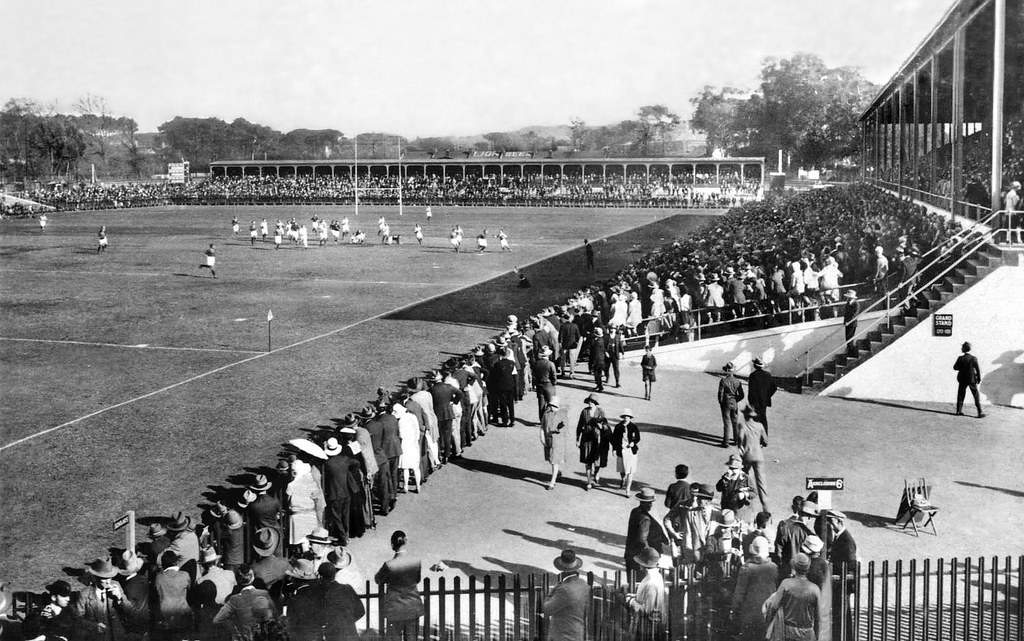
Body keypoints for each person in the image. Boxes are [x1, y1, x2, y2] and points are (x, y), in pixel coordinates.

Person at [374, 531, 423, 641]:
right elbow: (417, 579)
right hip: (412, 606)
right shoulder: (416, 561)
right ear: (405, 542)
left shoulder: (389, 565)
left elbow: (378, 580)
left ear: (392, 545)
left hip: (395, 609)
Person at [761, 553, 821, 641]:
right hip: (808, 633)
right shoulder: (815, 589)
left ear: (794, 567)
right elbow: (818, 617)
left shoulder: (786, 584)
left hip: (788, 632)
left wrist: (768, 624)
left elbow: (773, 607)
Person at [729, 536, 778, 641]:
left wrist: (734, 610)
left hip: (749, 614)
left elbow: (739, 593)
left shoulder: (746, 568)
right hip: (768, 613)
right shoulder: (774, 567)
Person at [74, 557, 134, 641]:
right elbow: (77, 619)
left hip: (116, 636)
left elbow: (130, 611)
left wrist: (119, 598)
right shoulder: (85, 594)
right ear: (95, 577)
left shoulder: (116, 586)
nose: (108, 581)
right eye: (104, 578)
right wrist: (93, 626)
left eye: (110, 577)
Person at [212, 565, 278, 640]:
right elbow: (275, 615)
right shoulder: (264, 594)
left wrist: (235, 630)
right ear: (252, 579)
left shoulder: (234, 599)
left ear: (237, 580)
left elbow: (217, 620)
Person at [544, 549, 589, 641]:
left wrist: (553, 591)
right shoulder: (584, 585)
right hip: (577, 633)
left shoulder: (563, 589)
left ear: (562, 571)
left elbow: (547, 609)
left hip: (563, 635)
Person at [624, 487, 667, 580]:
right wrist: (650, 556)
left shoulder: (635, 511)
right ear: (643, 503)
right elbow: (642, 539)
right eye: (649, 503)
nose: (650, 505)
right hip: (641, 558)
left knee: (632, 582)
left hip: (630, 553)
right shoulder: (645, 519)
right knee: (641, 583)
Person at [625, 548, 668, 639]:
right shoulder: (657, 576)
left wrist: (630, 601)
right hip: (653, 625)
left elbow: (646, 610)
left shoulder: (650, 582)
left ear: (643, 565)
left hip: (648, 627)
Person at [153, 550, 194, 638]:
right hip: (183, 616)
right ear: (175, 562)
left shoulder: (158, 577)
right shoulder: (185, 575)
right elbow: (190, 592)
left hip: (165, 618)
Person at [737, 406, 768, 511]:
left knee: (745, 478)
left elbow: (740, 440)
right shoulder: (760, 426)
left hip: (747, 455)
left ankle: (745, 498)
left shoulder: (743, 425)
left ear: (745, 416)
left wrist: (742, 447)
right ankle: (765, 506)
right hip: (759, 455)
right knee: (761, 482)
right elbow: (766, 441)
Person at [576, 394, 609, 490]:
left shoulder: (600, 411)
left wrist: (601, 426)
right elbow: (579, 426)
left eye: (592, 401)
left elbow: (606, 425)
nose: (590, 403)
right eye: (589, 401)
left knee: (597, 462)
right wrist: (577, 439)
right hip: (586, 439)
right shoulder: (584, 411)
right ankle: (589, 482)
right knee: (587, 461)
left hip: (597, 439)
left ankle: (597, 472)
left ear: (595, 403)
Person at [540, 396, 569, 491]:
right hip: (548, 440)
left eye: (553, 406)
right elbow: (542, 427)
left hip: (558, 441)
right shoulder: (546, 414)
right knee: (550, 460)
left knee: (554, 461)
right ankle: (558, 473)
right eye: (551, 405)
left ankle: (552, 482)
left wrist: (557, 429)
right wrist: (542, 438)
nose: (551, 407)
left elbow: (565, 428)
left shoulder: (562, 414)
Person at [612, 409, 640, 495]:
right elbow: (614, 439)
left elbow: (638, 437)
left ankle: (628, 490)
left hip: (631, 451)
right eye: (625, 416)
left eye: (628, 417)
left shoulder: (634, 427)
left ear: (630, 417)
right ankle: (623, 478)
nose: (626, 418)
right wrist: (614, 449)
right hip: (621, 450)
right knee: (622, 470)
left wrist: (633, 442)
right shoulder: (618, 427)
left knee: (631, 471)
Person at [953, 341, 984, 417]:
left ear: (964, 349)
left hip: (962, 378)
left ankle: (958, 411)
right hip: (972, 379)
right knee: (975, 395)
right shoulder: (973, 358)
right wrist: (979, 378)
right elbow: (977, 369)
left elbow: (955, 367)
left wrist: (962, 367)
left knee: (961, 394)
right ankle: (979, 412)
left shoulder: (960, 358)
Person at [746, 357, 777, 434]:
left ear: (755, 366)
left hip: (755, 401)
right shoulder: (767, 375)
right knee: (763, 418)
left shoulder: (753, 375)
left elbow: (751, 390)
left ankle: (757, 437)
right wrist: (767, 396)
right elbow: (774, 388)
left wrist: (750, 401)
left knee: (755, 419)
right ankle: (764, 439)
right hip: (764, 401)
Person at [717, 361, 744, 447]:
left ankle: (726, 442)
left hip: (726, 403)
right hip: (734, 402)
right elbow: (742, 395)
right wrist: (736, 400)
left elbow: (720, 394)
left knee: (726, 422)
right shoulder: (738, 382)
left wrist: (721, 403)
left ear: (727, 371)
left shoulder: (723, 381)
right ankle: (736, 440)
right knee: (735, 421)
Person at [589, 327, 608, 392]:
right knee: (598, 373)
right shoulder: (601, 340)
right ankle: (599, 385)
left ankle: (600, 386)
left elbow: (596, 353)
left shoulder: (597, 342)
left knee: (597, 374)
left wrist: (593, 362)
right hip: (601, 359)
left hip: (597, 360)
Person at [843, 289, 859, 357]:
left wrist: (849, 322)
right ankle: (850, 353)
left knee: (850, 338)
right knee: (847, 339)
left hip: (852, 324)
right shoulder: (847, 304)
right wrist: (844, 322)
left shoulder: (856, 304)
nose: (847, 298)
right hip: (847, 323)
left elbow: (855, 314)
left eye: (848, 297)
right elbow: (846, 314)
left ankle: (852, 354)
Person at [1005, 180, 1021, 244]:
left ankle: (1008, 239)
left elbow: (1005, 202)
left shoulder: (1009, 193)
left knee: (1009, 226)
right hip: (1013, 212)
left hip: (1008, 211)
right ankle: (1018, 240)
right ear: (1016, 187)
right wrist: (1018, 199)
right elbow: (1015, 203)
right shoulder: (1014, 194)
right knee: (1017, 226)